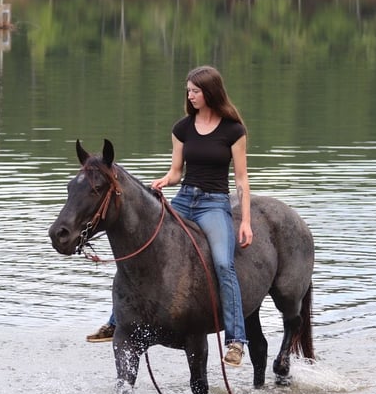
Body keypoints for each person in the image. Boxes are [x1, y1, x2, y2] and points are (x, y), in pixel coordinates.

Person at [87, 65, 253, 368]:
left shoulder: (233, 130)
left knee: (223, 263)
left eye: (195, 91)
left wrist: (245, 221)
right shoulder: (182, 128)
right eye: (188, 90)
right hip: (185, 198)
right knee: (141, 252)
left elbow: (241, 179)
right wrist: (165, 180)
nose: (189, 95)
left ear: (210, 91)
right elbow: (177, 171)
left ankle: (236, 340)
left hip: (215, 204)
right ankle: (115, 321)